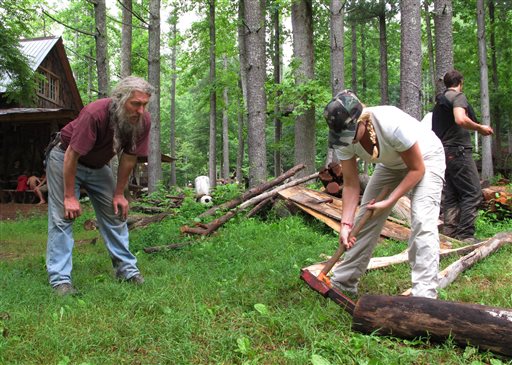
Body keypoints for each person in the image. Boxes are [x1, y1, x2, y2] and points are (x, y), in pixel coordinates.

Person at [324, 90, 446, 299]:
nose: (347, 140)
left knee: (422, 220)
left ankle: (424, 295)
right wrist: (345, 225)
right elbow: (352, 185)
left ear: (361, 120)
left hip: (426, 158)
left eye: (350, 133)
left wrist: (391, 200)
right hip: (391, 165)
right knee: (365, 217)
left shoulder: (390, 124)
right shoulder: (344, 140)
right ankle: (343, 282)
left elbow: (417, 169)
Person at [46, 76, 154, 296]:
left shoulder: (143, 121)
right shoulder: (95, 113)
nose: (141, 110)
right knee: (62, 218)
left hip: (98, 166)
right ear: (120, 100)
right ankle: (60, 281)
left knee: (116, 214)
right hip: (64, 157)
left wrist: (119, 194)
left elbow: (129, 158)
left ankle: (126, 271)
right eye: (136, 104)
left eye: (145, 104)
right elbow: (72, 155)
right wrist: (69, 196)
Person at [431, 70, 493, 243]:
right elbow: (460, 119)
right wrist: (480, 128)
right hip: (458, 151)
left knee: (452, 194)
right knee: (473, 192)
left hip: (444, 152)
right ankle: (466, 236)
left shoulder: (440, 102)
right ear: (460, 82)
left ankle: (449, 234)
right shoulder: (457, 97)